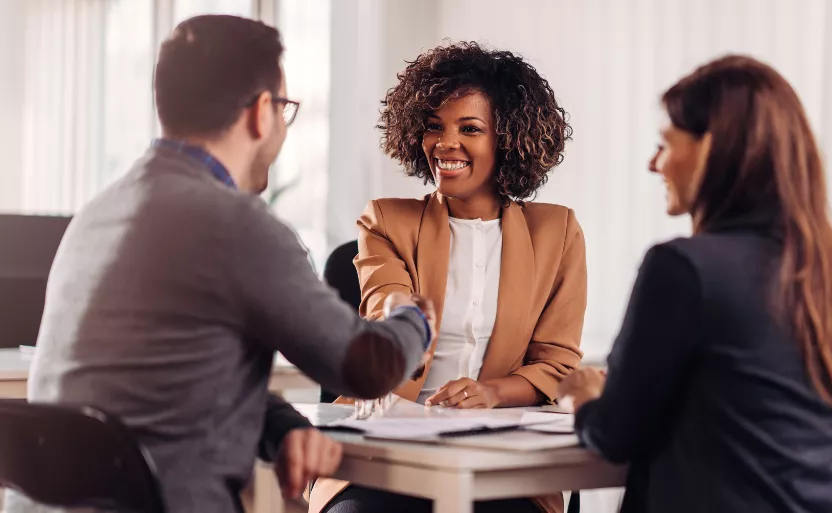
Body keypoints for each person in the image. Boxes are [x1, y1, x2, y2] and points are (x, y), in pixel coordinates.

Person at [6, 15, 434, 513]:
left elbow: (164, 394)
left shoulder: (98, 214)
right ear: (261, 113)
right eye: (285, 109)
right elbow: (367, 367)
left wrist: (284, 430)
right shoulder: (238, 225)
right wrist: (414, 317)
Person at [558, 55, 832, 513]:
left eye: (665, 144)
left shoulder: (682, 267)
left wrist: (585, 397)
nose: (654, 164)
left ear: (713, 148)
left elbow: (614, 435)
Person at [311, 42, 586, 513]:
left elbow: (557, 365)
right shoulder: (385, 221)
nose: (445, 144)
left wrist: (493, 392)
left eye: (470, 129)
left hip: (503, 460)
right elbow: (386, 305)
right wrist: (402, 320)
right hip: (389, 449)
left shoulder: (556, 232)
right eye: (434, 127)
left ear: (508, 139)